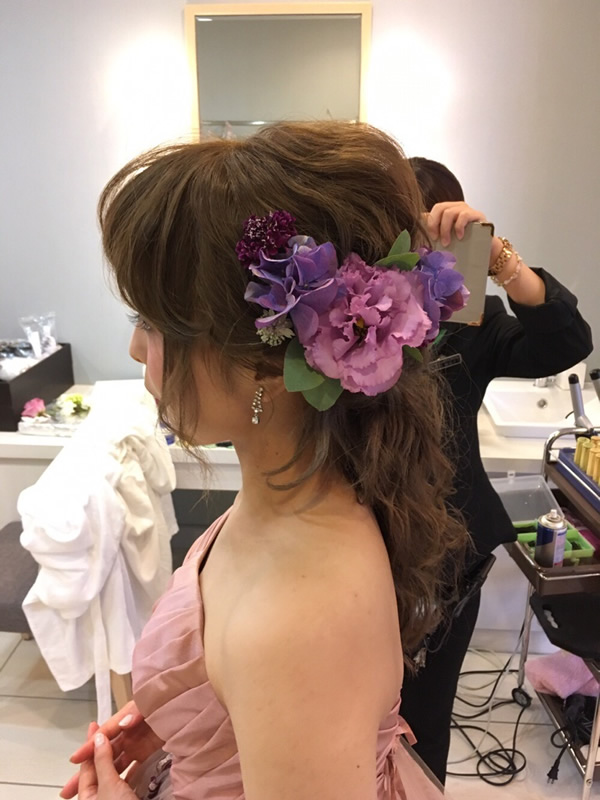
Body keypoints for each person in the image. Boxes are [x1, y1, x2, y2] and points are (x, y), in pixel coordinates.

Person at [61, 123, 471, 800]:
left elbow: (282, 660)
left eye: (152, 321)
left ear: (266, 364)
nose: (136, 349)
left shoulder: (300, 621)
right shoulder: (289, 492)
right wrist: (188, 717)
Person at [399, 157, 594, 784]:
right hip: (362, 544)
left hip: (450, 554)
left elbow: (567, 342)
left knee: (426, 715)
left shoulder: (468, 324)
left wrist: (499, 259)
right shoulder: (345, 322)